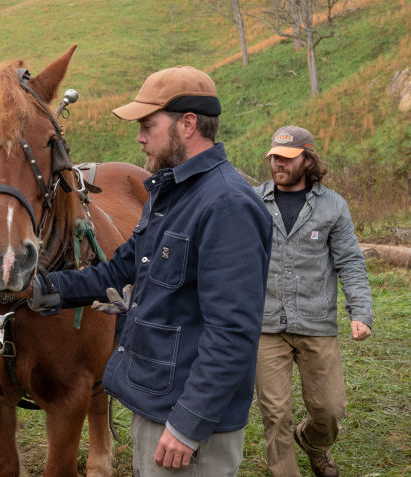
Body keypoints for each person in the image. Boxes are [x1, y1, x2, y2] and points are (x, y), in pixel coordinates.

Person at [29, 65, 273, 476]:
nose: (140, 137)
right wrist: (41, 289)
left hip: (187, 422)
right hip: (156, 401)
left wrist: (187, 425)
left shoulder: (227, 205)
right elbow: (116, 272)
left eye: (148, 125)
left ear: (188, 124)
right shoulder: (173, 195)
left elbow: (233, 333)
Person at [253, 125, 373, 477]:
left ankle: (313, 442)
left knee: (330, 410)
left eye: (287, 158)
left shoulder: (333, 206)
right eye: (274, 156)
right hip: (266, 323)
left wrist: (360, 312)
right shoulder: (252, 202)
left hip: (316, 321)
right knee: (275, 414)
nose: (279, 163)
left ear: (307, 159)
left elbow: (349, 262)